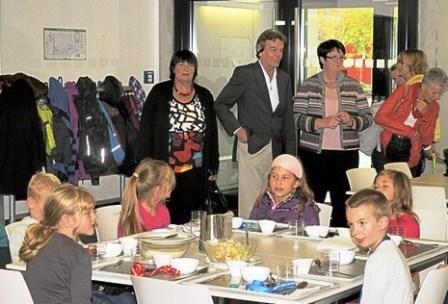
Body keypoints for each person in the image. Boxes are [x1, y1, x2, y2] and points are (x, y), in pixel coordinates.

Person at [214, 29, 295, 218]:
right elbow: (220, 104)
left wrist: (291, 156)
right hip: (252, 144)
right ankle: (247, 242)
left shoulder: (284, 78)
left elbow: (288, 119)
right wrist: (237, 129)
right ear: (260, 51)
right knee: (251, 202)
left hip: (277, 148)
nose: (278, 55)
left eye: (281, 50)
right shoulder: (245, 73)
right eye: (273, 49)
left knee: (277, 200)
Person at [294, 39, 373, 227]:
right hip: (314, 153)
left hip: (345, 154)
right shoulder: (308, 85)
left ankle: (342, 240)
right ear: (322, 59)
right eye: (334, 57)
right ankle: (312, 235)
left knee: (342, 201)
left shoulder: (354, 86)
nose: (339, 61)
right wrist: (320, 123)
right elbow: (295, 117)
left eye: (341, 57)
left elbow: (368, 118)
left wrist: (351, 120)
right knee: (314, 199)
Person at [137, 50, 219, 224]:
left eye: (190, 64)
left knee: (194, 216)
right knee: (166, 214)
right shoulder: (159, 93)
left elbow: (212, 134)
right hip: (166, 168)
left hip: (197, 167)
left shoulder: (204, 95)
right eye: (181, 64)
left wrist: (213, 165)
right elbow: (146, 130)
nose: (185, 68)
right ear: (173, 68)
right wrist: (145, 165)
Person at [19, 184, 136, 304]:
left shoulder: (39, 243)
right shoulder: (78, 254)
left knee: (125, 299)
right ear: (66, 220)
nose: (94, 217)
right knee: (129, 300)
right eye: (88, 213)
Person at [376, 63, 448, 177]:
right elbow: (380, 117)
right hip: (392, 143)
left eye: (440, 94)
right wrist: (410, 132)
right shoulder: (404, 91)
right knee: (393, 185)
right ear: (423, 86)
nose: (437, 97)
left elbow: (426, 139)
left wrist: (426, 115)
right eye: (434, 92)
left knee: (410, 187)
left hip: (414, 149)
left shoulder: (434, 107)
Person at [346, 189, 413, 304]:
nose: (355, 231)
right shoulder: (391, 249)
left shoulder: (379, 260)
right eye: (351, 224)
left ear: (382, 223)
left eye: (362, 223)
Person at [249, 154, 319, 225]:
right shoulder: (262, 201)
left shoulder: (305, 209)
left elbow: (311, 235)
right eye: (274, 176)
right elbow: (251, 228)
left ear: (297, 183)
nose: (278, 182)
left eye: (285, 177)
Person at [6, 172, 61, 262]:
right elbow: (25, 262)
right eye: (50, 204)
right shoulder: (21, 231)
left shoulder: (58, 226)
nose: (55, 208)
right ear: (31, 203)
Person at [118, 158, 175, 237]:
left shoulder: (163, 210)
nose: (172, 186)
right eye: (169, 182)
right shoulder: (134, 212)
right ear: (157, 189)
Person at [373, 169, 420, 238]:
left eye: (385, 186)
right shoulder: (374, 217)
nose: (378, 190)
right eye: (376, 187)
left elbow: (408, 248)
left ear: (400, 191)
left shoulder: (407, 223)